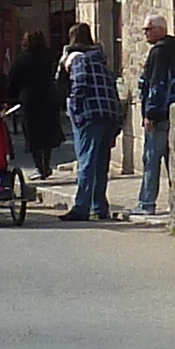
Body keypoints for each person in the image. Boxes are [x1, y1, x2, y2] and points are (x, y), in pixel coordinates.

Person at [59, 22, 123, 221]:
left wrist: (76, 110)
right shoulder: (100, 61)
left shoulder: (79, 60)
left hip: (89, 115)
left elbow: (79, 85)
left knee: (86, 162)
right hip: (109, 114)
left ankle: (81, 207)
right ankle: (99, 206)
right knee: (101, 164)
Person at [133, 17, 175, 218]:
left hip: (160, 117)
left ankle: (147, 202)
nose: (145, 33)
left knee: (151, 159)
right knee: (171, 161)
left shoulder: (159, 52)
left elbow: (157, 85)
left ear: (160, 30)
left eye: (148, 29)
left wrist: (151, 114)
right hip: (174, 112)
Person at [12, 27, 62, 179]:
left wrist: (11, 99)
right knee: (47, 132)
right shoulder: (49, 57)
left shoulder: (22, 59)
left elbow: (14, 79)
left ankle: (39, 167)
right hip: (48, 97)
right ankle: (46, 164)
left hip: (30, 100)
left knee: (32, 135)